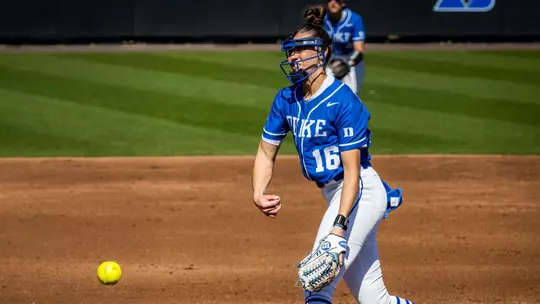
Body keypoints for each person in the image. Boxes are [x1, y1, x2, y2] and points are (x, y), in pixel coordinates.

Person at [251, 5, 415, 304]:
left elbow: (353, 171)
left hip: (358, 193)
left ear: (322, 53)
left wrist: (339, 225)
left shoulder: (343, 101)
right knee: (375, 301)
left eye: (301, 51)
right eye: (291, 52)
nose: (293, 58)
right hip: (335, 194)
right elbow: (266, 150)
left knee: (317, 282)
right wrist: (259, 191)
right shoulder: (287, 98)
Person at [324, 0, 366, 96]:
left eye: (337, 0)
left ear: (342, 3)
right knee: (327, 95)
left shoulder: (354, 19)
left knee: (352, 96)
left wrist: (347, 64)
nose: (333, 3)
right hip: (332, 61)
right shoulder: (325, 19)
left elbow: (359, 50)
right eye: (330, 0)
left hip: (352, 62)